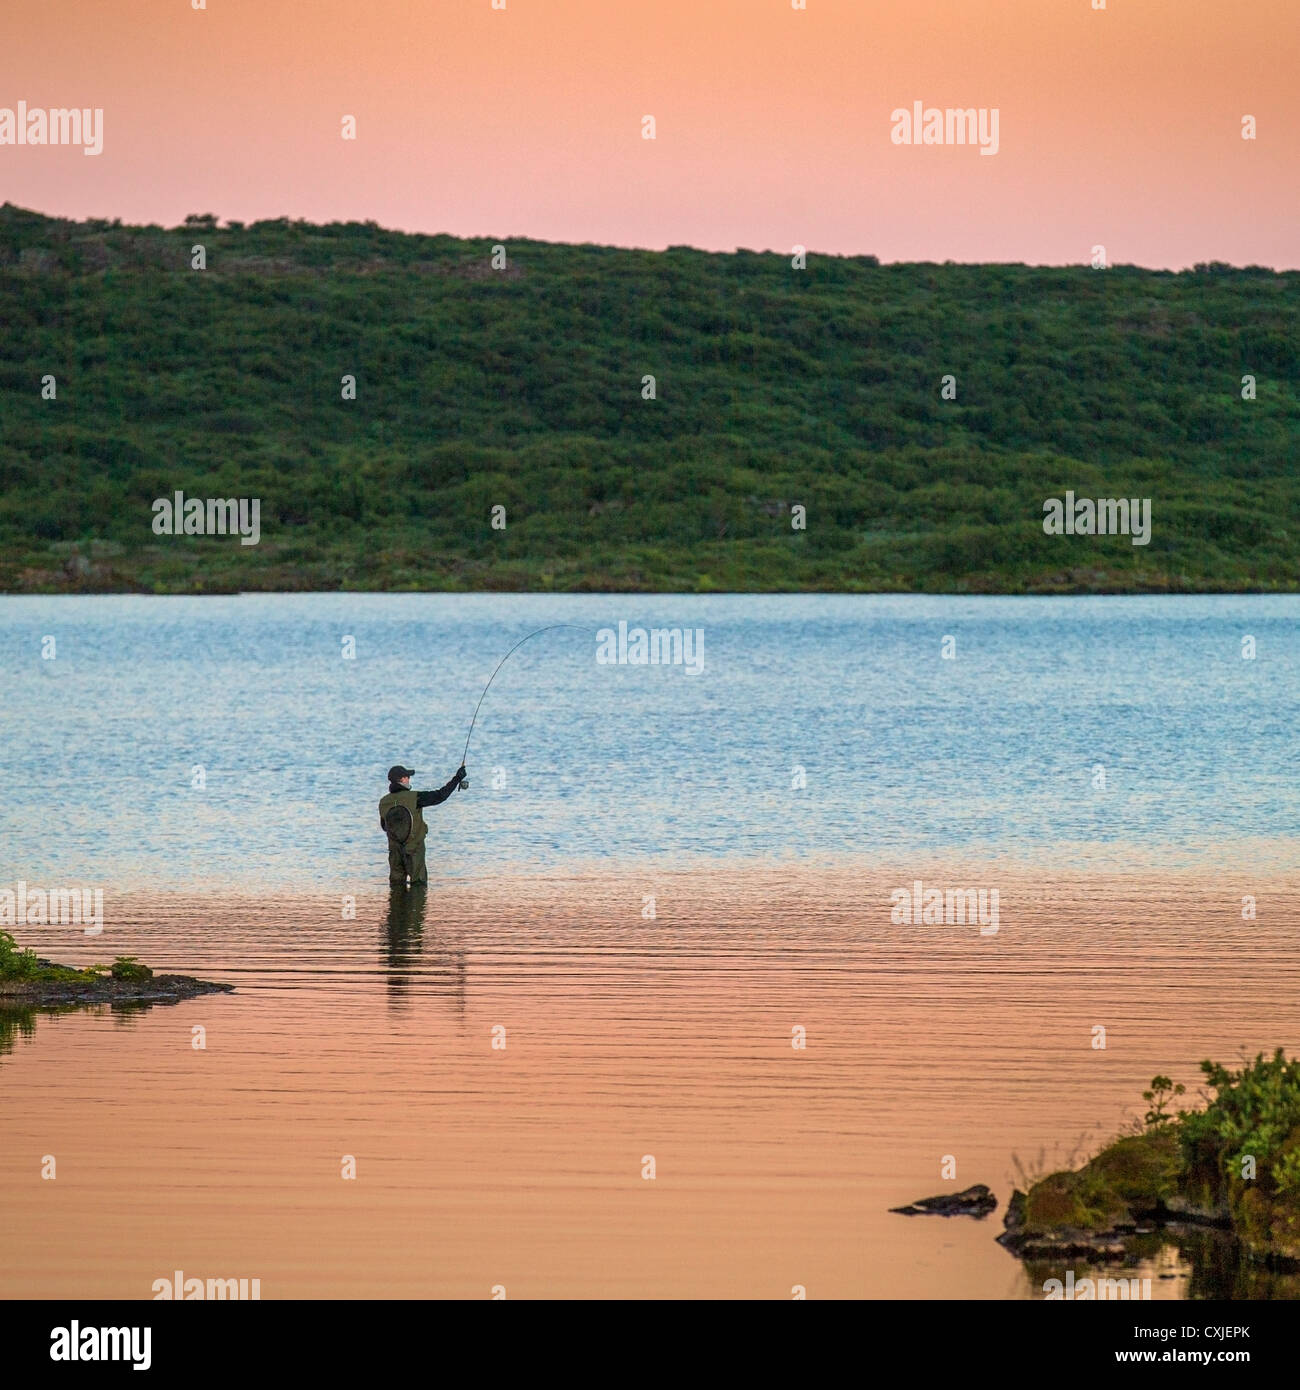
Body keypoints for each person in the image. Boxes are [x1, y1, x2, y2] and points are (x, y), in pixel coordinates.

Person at [379, 763, 466, 886]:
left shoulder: (383, 802)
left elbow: (384, 827)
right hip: (414, 850)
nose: (409, 779)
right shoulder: (415, 797)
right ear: (402, 779)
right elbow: (440, 795)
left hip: (395, 851)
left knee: (396, 886)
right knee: (418, 886)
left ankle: (396, 904)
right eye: (407, 777)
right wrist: (457, 778)